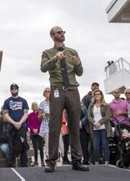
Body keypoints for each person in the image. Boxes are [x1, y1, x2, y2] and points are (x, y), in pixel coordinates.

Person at [40, 26, 88, 173]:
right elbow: (43, 68)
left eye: (63, 32)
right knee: (55, 126)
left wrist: (78, 63)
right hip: (57, 90)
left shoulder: (72, 52)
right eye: (58, 32)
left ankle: (76, 160)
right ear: (52, 36)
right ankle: (51, 161)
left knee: (74, 125)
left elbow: (79, 73)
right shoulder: (47, 53)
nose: (62, 34)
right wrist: (55, 58)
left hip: (73, 90)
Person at [2, 83, 29, 168]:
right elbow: (6, 114)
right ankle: (11, 166)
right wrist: (14, 123)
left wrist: (20, 123)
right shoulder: (7, 101)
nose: (14, 90)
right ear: (10, 90)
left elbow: (25, 114)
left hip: (22, 127)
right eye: (12, 89)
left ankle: (24, 166)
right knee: (11, 147)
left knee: (23, 147)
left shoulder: (23, 101)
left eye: (15, 89)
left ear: (18, 89)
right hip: (11, 128)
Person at [87, 90, 112, 165]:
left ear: (101, 95)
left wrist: (100, 123)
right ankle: (96, 162)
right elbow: (89, 116)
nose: (97, 95)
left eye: (98, 94)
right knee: (95, 147)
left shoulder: (106, 105)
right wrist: (94, 123)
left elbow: (108, 116)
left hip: (104, 128)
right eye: (95, 94)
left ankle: (107, 161)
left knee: (105, 146)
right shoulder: (91, 105)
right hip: (94, 129)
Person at [27, 102, 44, 167]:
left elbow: (42, 123)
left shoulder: (40, 114)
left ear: (37, 106)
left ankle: (42, 161)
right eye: (33, 105)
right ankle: (36, 161)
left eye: (35, 105)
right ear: (32, 107)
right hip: (32, 133)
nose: (34, 106)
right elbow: (28, 123)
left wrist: (38, 129)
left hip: (39, 132)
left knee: (40, 147)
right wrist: (33, 129)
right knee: (35, 147)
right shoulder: (30, 115)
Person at [39, 88, 51, 164]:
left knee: (55, 143)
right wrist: (42, 115)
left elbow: (57, 115)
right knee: (47, 143)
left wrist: (47, 114)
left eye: (49, 91)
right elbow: (39, 117)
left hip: (54, 125)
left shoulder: (55, 102)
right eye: (46, 91)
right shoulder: (42, 104)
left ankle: (55, 157)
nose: (47, 93)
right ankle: (48, 158)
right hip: (45, 125)